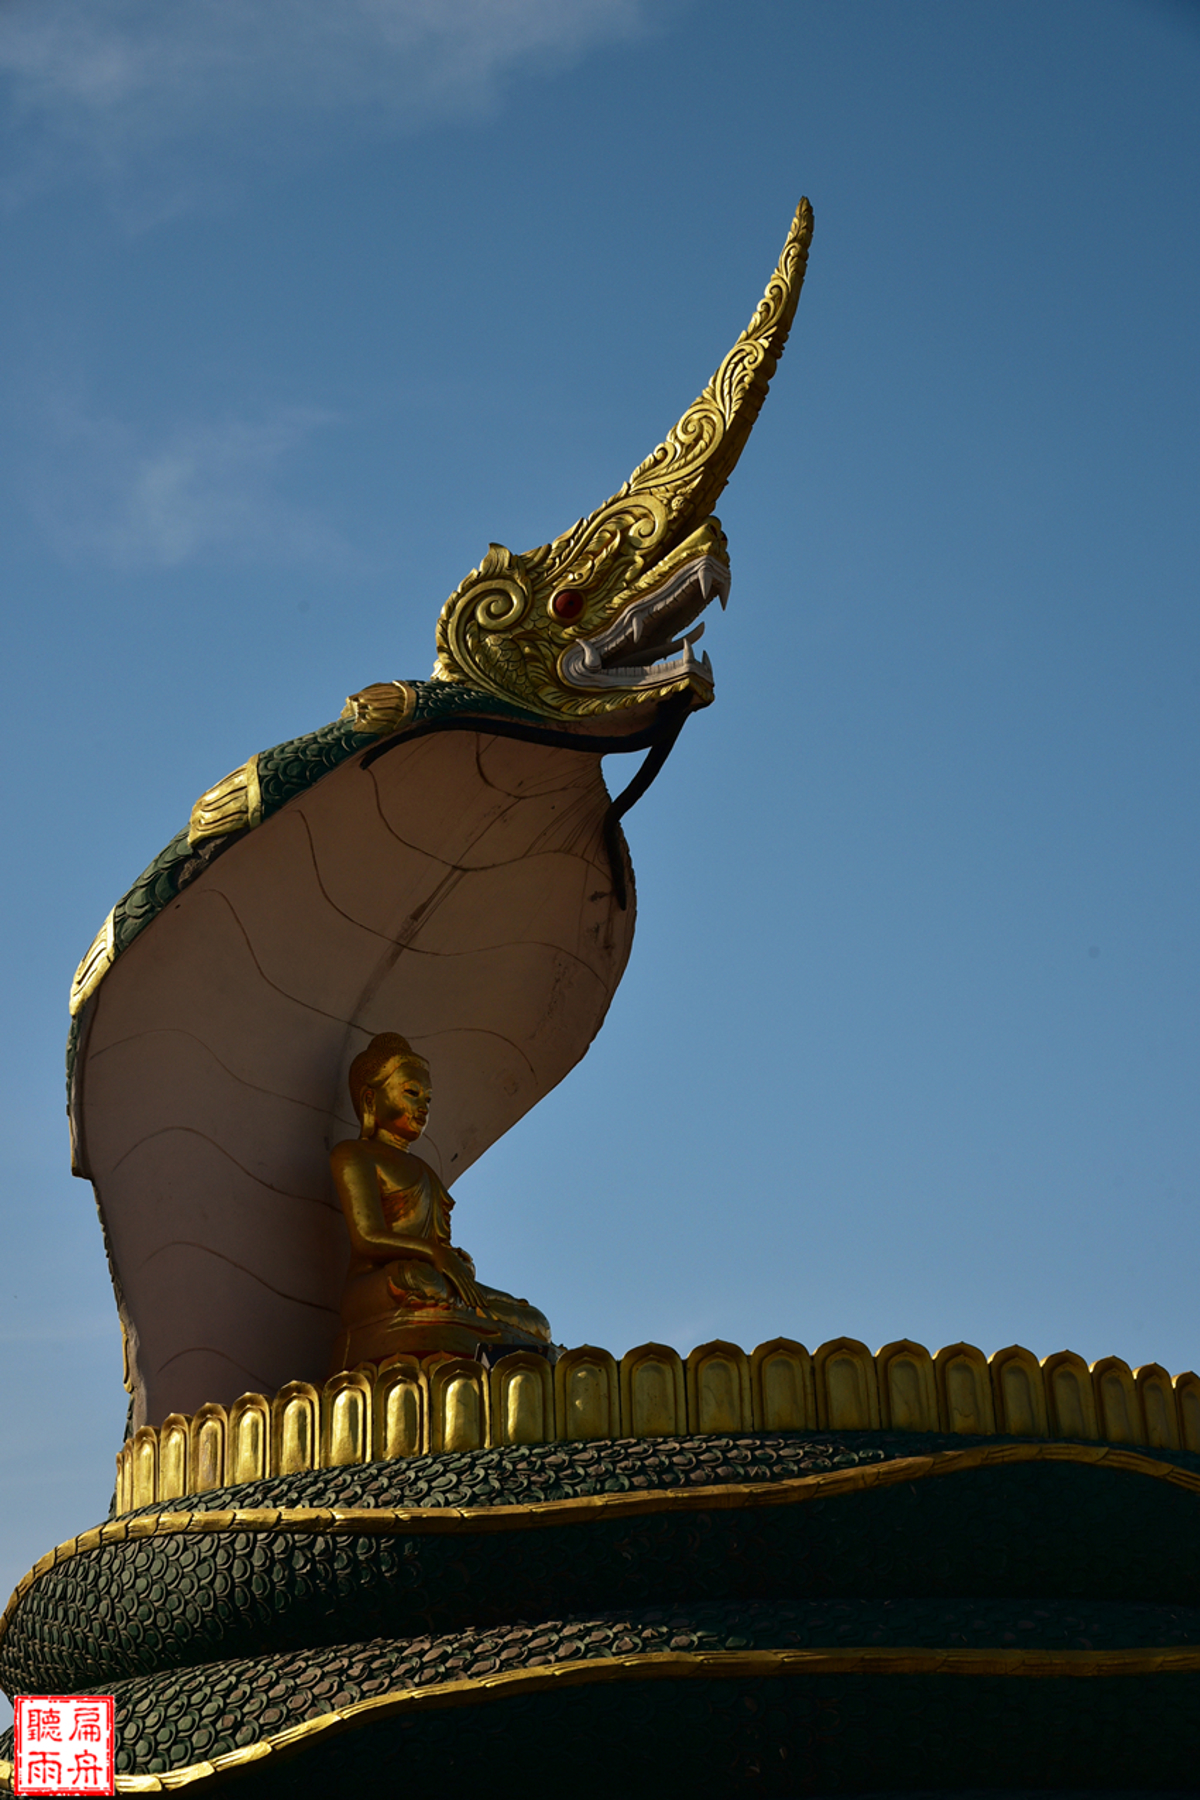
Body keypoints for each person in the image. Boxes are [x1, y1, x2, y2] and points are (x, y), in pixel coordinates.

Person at [329, 1032, 551, 1368]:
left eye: (428, 1100)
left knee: (534, 1318)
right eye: (412, 1094)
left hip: (435, 1281)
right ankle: (463, 1320)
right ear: (370, 1098)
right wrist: (434, 1253)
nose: (422, 1108)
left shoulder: (424, 1170)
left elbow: (438, 1244)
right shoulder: (354, 1154)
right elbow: (367, 1239)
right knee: (422, 1282)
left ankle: (473, 1325)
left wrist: (452, 1258)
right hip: (378, 1285)